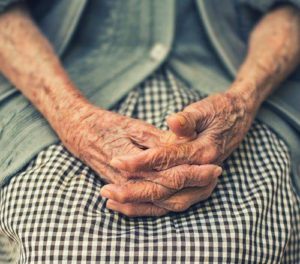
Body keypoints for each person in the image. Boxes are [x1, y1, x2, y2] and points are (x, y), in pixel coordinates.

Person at [0, 0, 299, 262]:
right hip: (54, 88)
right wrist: (72, 117)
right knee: (57, 245)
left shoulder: (240, 103)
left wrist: (242, 102)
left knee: (238, 245)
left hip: (239, 83)